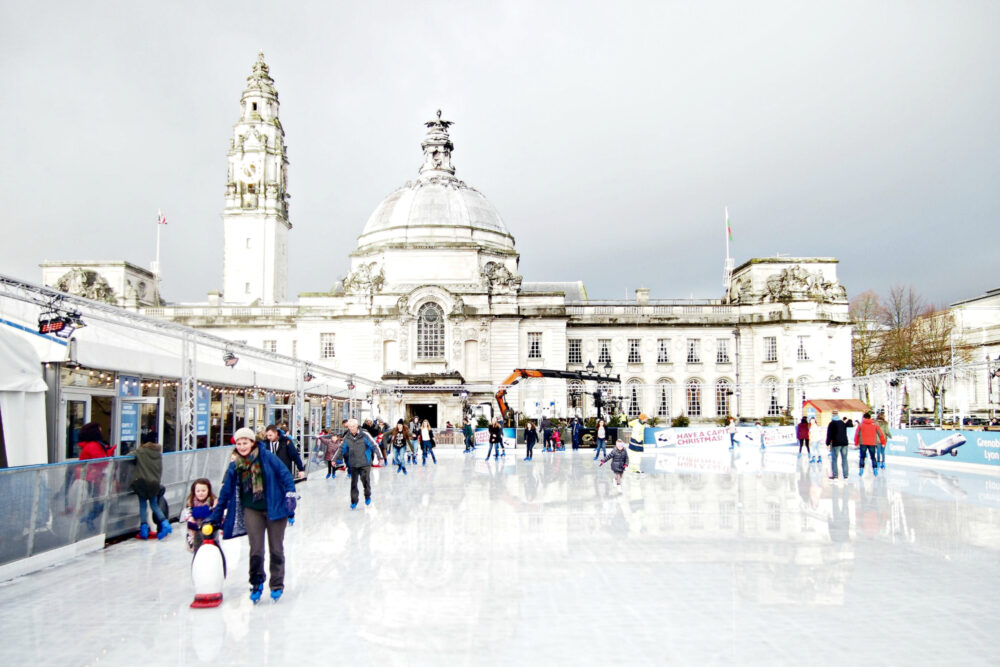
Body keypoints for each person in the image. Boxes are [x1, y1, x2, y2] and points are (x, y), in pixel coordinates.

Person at [209, 427, 297, 602]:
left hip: (276, 508)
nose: (242, 446)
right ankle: (256, 583)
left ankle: (277, 584)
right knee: (256, 549)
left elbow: (285, 475)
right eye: (239, 443)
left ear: (252, 443)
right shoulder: (236, 466)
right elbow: (226, 492)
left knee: (276, 549)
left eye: (245, 442)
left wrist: (290, 496)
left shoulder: (268, 458)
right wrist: (215, 517)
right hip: (252, 509)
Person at [333, 418, 384, 509]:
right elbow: (341, 448)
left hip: (365, 462)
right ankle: (354, 501)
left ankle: (367, 496)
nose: (351, 428)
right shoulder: (347, 437)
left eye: (353, 426)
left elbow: (374, 446)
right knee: (353, 483)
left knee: (365, 481)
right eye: (349, 427)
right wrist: (334, 459)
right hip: (353, 463)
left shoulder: (365, 435)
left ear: (357, 426)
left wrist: (380, 457)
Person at [132, 435, 172, 540]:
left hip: (142, 482)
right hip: (155, 483)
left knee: (143, 505)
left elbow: (129, 456)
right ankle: (166, 524)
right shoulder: (158, 453)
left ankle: (144, 530)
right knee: (154, 505)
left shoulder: (140, 451)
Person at [77, 422, 115, 528]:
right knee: (100, 502)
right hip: (93, 479)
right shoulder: (94, 446)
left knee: (97, 502)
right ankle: (88, 518)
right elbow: (101, 462)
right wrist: (109, 454)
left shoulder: (92, 445)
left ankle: (89, 520)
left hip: (92, 478)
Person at [179, 478, 216, 552]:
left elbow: (217, 513)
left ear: (208, 490)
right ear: (194, 492)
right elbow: (187, 513)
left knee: (210, 549)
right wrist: (191, 520)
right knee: (197, 548)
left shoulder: (212, 502)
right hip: (195, 530)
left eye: (203, 491)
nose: (201, 493)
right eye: (198, 491)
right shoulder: (191, 502)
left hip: (209, 529)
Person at [854, 411, 886, 477]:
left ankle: (861, 470)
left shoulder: (861, 425)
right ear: (870, 417)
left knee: (862, 457)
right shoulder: (875, 424)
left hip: (863, 443)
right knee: (873, 457)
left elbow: (857, 434)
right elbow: (880, 434)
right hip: (872, 443)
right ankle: (875, 470)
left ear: (864, 418)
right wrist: (883, 442)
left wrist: (856, 442)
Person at [826, 410, 850, 480]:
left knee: (834, 459)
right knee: (844, 459)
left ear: (832, 416)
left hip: (836, 443)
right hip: (844, 443)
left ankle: (835, 475)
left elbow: (829, 434)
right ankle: (846, 475)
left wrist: (827, 443)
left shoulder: (832, 424)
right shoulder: (842, 423)